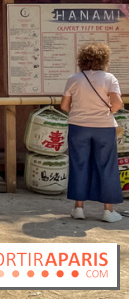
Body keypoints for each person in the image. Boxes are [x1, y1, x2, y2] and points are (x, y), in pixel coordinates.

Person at [60, 43, 124, 222]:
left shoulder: (74, 78)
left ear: (82, 60)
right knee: (107, 167)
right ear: (104, 60)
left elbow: (65, 106)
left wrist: (81, 112)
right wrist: (105, 113)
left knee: (79, 165)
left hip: (78, 127)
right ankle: (108, 212)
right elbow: (117, 104)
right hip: (104, 127)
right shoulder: (110, 79)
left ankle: (78, 209)